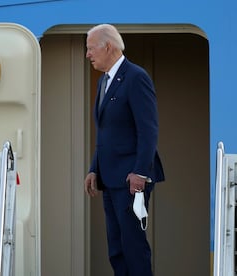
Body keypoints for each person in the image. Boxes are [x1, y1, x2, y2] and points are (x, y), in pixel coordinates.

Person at [84, 24, 165, 276]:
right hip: (110, 178)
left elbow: (148, 129)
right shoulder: (103, 83)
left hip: (132, 179)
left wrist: (140, 172)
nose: (87, 54)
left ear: (108, 47)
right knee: (116, 249)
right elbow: (106, 133)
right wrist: (93, 169)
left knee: (133, 246)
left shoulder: (136, 76)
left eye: (90, 48)